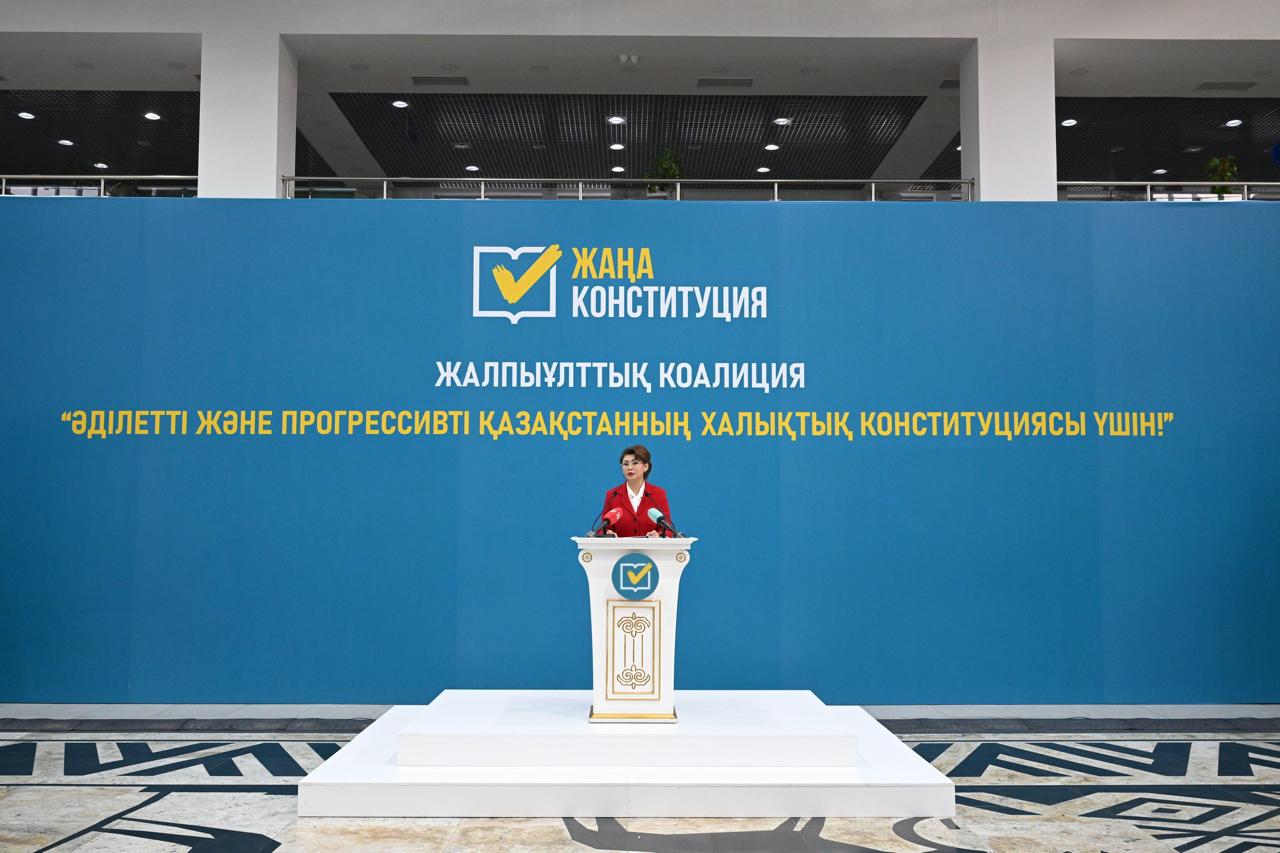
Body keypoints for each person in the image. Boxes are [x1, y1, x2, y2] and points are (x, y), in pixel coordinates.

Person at [599, 445, 674, 537]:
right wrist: (607, 534)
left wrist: (658, 535)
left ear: (646, 466)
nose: (630, 467)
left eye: (635, 463)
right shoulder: (613, 495)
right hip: (620, 546)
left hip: (650, 546)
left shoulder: (658, 494)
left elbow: (668, 529)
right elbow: (602, 529)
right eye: (626, 464)